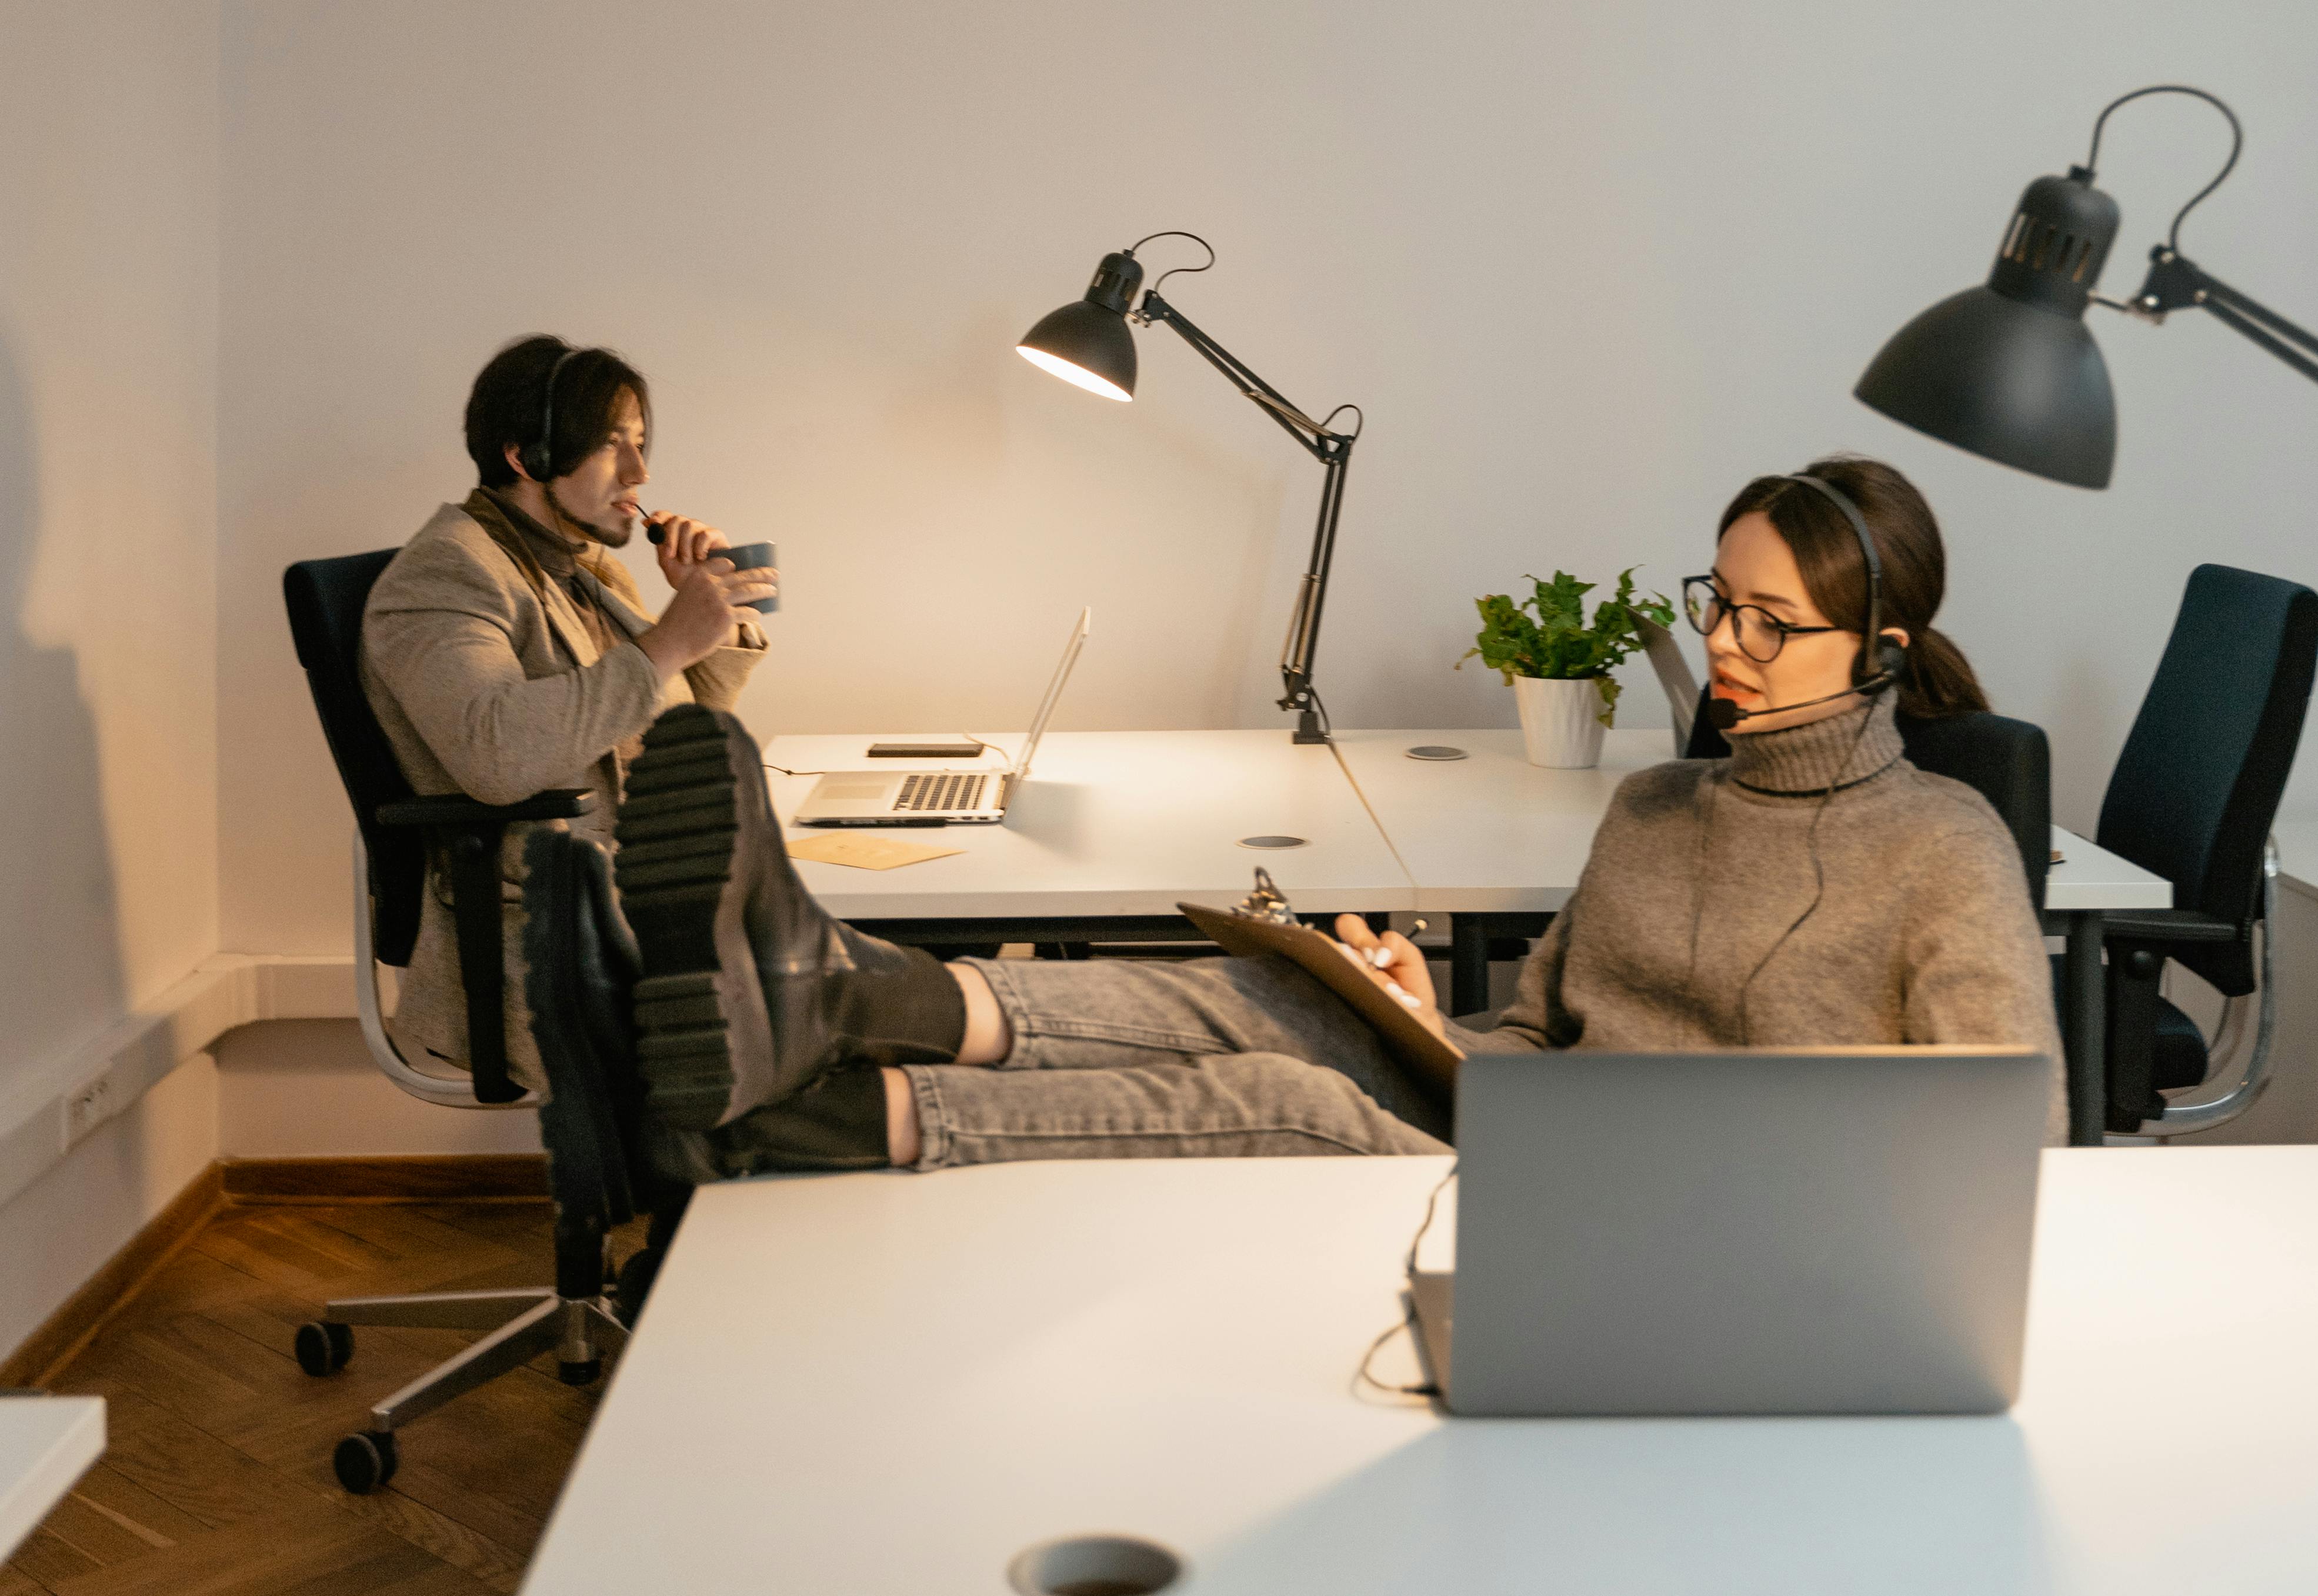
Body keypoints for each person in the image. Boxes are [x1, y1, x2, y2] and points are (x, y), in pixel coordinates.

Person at [581, 451, 2063, 1184]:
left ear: (1877, 650)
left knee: (1287, 1100)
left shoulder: (1942, 852)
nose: (1725, 648)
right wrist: (1423, 1009)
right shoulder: (1661, 804)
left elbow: (2014, 1142)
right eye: (1716, 604)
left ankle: (809, 1125)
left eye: (1770, 623)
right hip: (1540, 1134)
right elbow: (1544, 1032)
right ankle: (834, 993)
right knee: (1272, 995)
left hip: (1671, 1226)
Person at [363, 335, 776, 1085]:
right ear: (525, 456)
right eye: (612, 447)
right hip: (557, 928)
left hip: (654, 887)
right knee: (867, 1007)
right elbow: (496, 756)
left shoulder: (583, 563)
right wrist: (661, 648)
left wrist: (709, 620)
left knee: (893, 972)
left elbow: (673, 719)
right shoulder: (445, 572)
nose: (640, 474)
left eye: (642, 446)